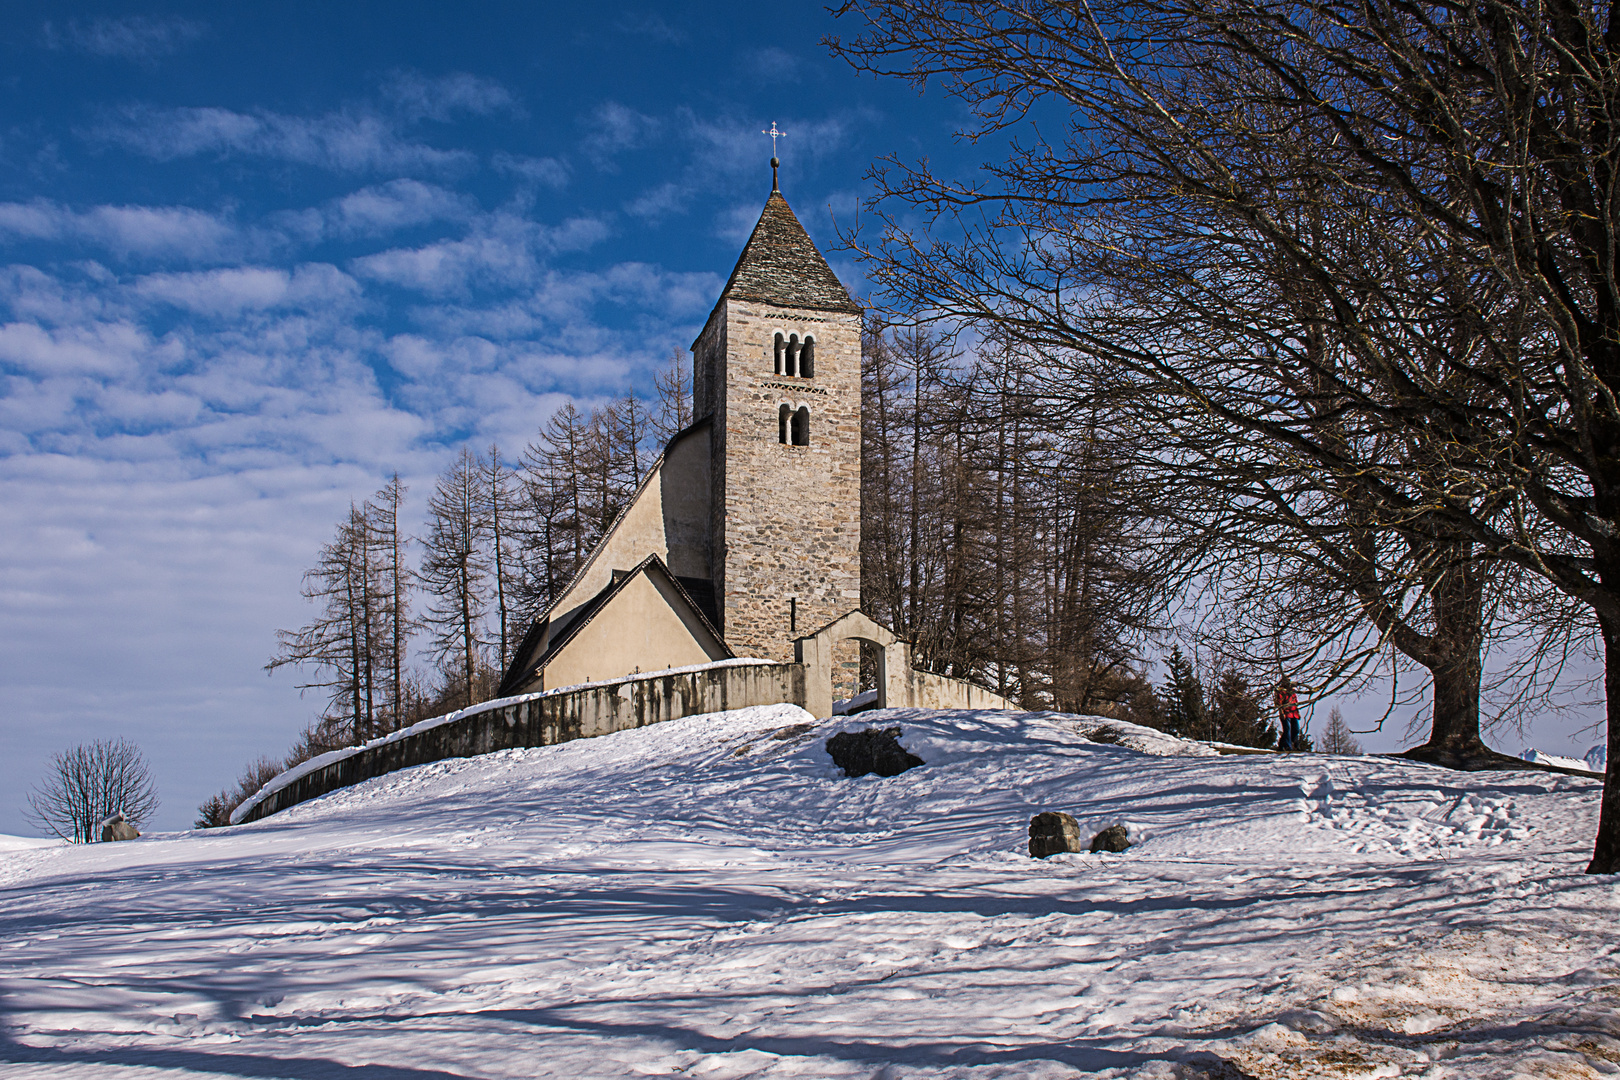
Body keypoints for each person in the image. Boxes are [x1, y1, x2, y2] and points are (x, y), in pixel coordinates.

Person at [1275, 676, 1303, 751]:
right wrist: (1281, 712)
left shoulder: (1292, 691)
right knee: (1287, 729)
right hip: (1286, 712)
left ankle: (1283, 745)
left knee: (1296, 729)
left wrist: (1298, 712)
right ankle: (1288, 746)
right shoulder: (1281, 691)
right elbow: (1279, 703)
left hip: (1294, 712)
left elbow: (1295, 702)